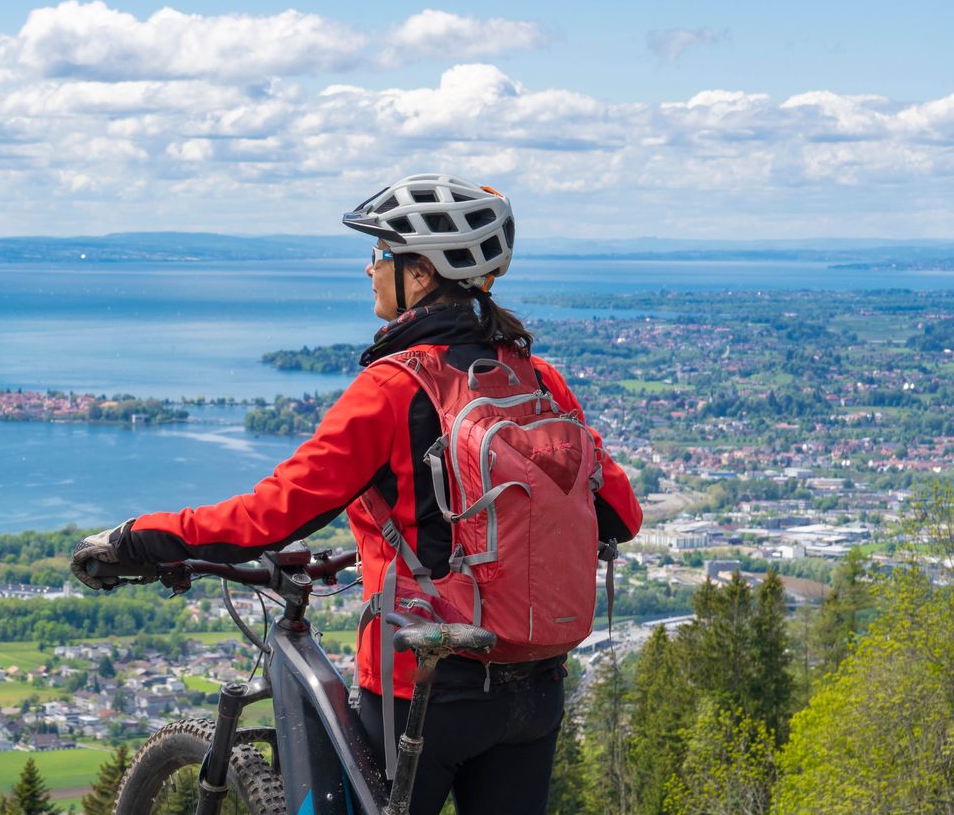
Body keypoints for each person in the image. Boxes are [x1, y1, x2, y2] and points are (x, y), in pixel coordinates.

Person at [72, 174, 642, 815]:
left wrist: (142, 537)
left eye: (379, 254)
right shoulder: (536, 377)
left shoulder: (393, 387)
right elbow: (620, 514)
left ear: (421, 274)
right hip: (535, 685)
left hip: (423, 689)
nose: (368, 269)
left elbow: (271, 515)